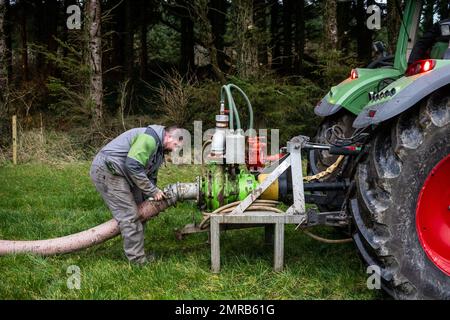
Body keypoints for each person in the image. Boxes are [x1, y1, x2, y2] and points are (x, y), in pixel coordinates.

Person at [90, 125, 183, 264]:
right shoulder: (149, 139)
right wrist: (153, 191)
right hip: (109, 171)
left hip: (125, 173)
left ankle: (138, 252)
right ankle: (137, 261)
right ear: (169, 137)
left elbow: (150, 175)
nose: (175, 149)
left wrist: (150, 201)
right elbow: (133, 165)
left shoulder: (159, 150)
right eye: (175, 145)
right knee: (130, 215)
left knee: (141, 210)